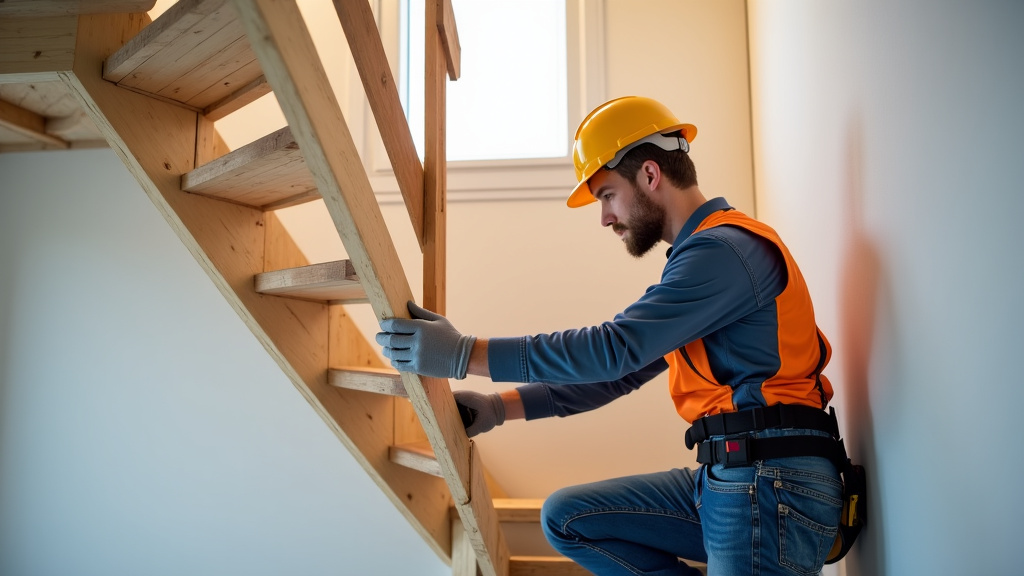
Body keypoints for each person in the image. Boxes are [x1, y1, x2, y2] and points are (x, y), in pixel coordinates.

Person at [376, 96, 849, 576]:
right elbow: (616, 375)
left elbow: (612, 349)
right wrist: (501, 409)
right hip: (730, 474)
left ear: (649, 175)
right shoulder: (697, 264)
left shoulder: (725, 251)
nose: (605, 218)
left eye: (606, 195)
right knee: (568, 518)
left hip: (769, 479)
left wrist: (464, 354)